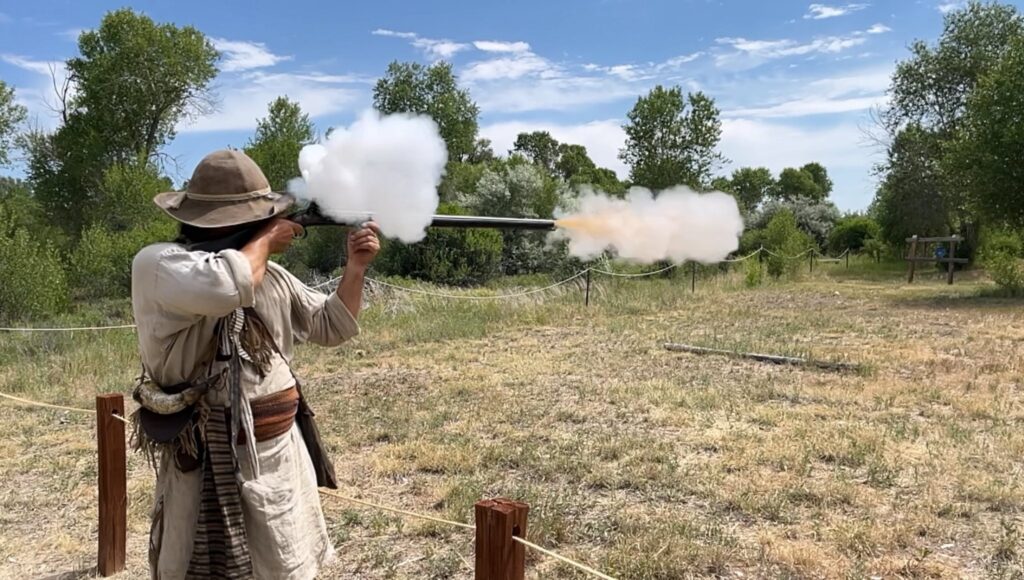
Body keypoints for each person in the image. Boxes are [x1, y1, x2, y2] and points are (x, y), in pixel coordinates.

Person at [130, 149, 379, 579]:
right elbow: (226, 285)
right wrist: (265, 240)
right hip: (203, 460)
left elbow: (332, 325)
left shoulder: (269, 275)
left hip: (275, 460)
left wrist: (356, 267)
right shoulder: (159, 264)